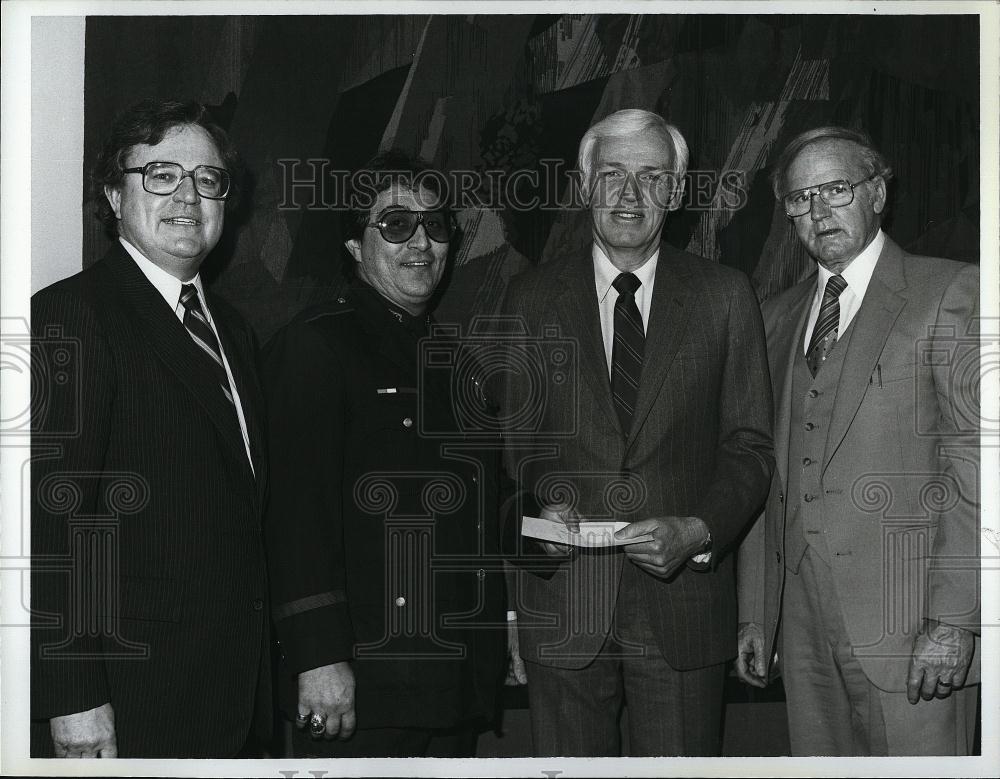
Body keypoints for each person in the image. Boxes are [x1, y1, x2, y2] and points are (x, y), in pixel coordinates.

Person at [499, 108, 774, 756]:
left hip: (682, 608)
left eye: (651, 177)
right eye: (614, 174)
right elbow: (516, 449)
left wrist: (699, 528)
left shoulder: (724, 296)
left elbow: (750, 448)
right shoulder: (529, 298)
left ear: (676, 192)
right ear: (585, 184)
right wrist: (544, 506)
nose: (630, 194)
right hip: (563, 606)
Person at [30, 99, 270, 758]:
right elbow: (53, 524)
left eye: (208, 178)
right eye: (161, 174)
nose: (188, 195)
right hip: (131, 698)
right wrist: (71, 693)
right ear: (113, 194)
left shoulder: (236, 332)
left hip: (234, 698)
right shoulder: (72, 316)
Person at [735, 126, 980, 755]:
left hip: (914, 631)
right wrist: (757, 613)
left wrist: (955, 620)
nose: (818, 211)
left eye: (836, 189)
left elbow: (979, 468)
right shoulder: (775, 317)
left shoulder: (952, 291)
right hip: (805, 631)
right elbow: (766, 473)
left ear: (877, 192)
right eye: (800, 198)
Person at [262, 151, 506, 758]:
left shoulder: (455, 362)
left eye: (436, 226)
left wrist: (541, 527)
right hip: (361, 683)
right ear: (354, 245)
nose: (421, 242)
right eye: (396, 225)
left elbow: (483, 502)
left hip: (450, 679)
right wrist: (317, 658)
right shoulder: (315, 347)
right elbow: (294, 520)